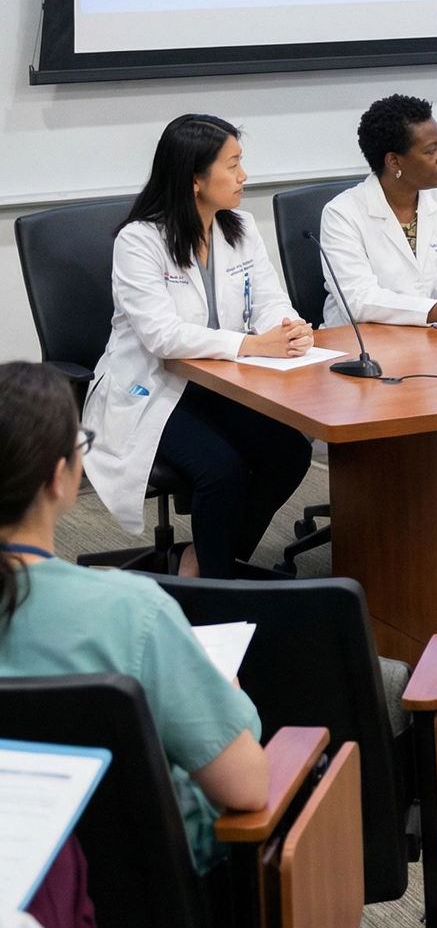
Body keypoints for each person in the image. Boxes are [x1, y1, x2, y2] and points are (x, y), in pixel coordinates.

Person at [0, 362, 268, 874]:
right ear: (61, 478)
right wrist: (227, 694)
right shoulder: (131, 612)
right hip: (136, 884)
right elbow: (247, 787)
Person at [82, 115, 312, 580]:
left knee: (289, 451)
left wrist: (288, 329)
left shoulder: (240, 227)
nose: (243, 176)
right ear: (194, 179)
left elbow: (270, 302)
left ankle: (211, 562)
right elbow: (162, 337)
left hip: (220, 385)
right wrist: (253, 344)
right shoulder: (140, 240)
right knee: (220, 469)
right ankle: (212, 582)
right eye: (232, 165)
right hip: (151, 390)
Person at [320, 93, 437, 326]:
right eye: (430, 151)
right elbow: (359, 300)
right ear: (394, 162)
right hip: (367, 346)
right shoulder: (342, 214)